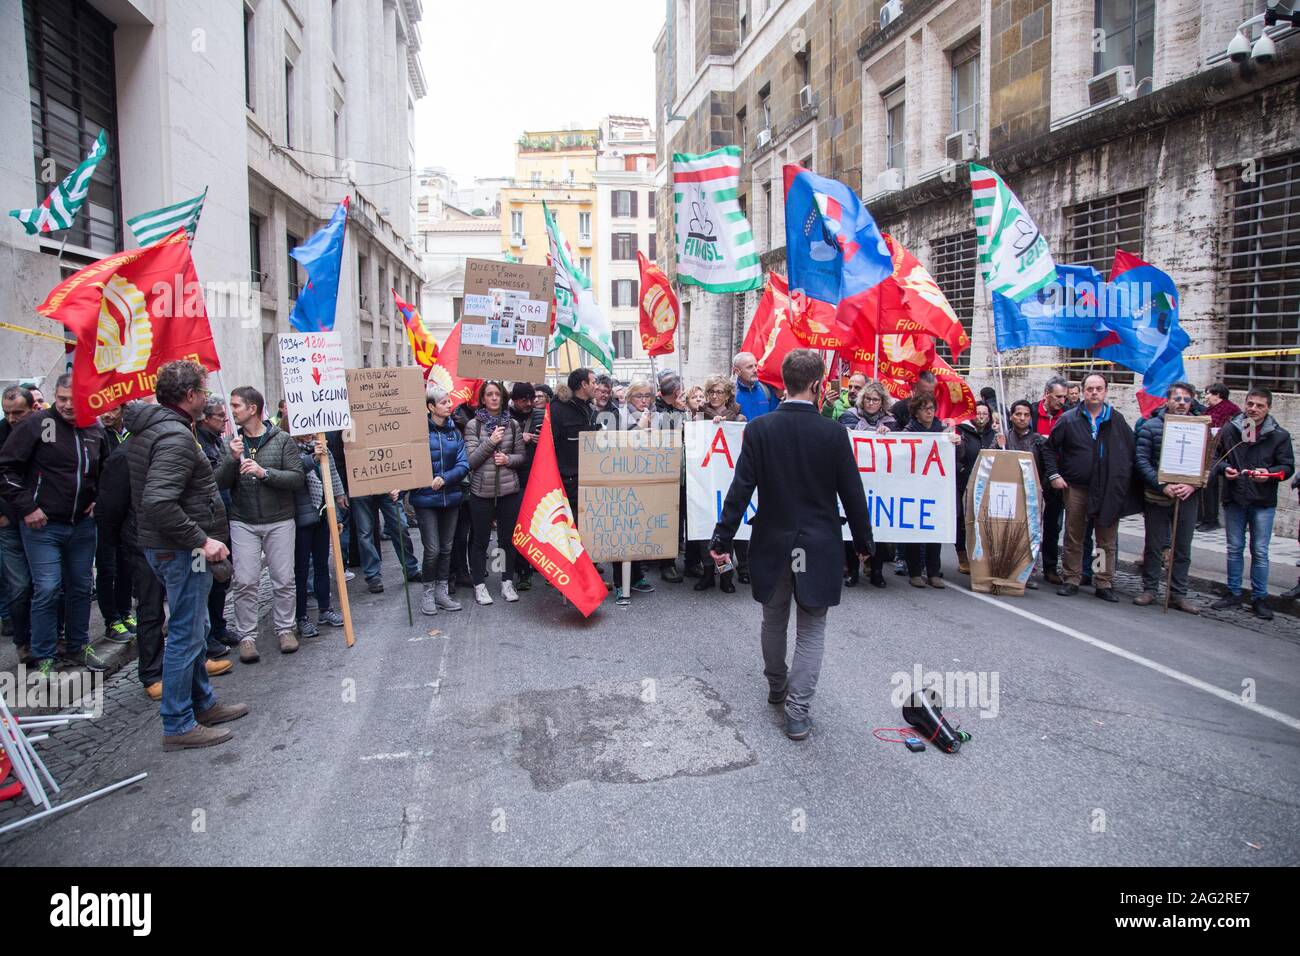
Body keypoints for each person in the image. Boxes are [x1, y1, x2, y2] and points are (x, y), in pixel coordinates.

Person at [711, 349, 872, 741]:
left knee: (774, 618)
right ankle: (797, 712)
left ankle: (777, 686)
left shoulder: (760, 428)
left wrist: (722, 537)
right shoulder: (833, 433)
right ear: (817, 385)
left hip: (773, 540)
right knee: (812, 629)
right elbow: (852, 492)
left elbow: (740, 488)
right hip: (817, 543)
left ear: (784, 382)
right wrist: (865, 543)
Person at [127, 362, 248, 750]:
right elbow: (159, 502)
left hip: (169, 547)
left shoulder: (161, 428)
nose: (206, 397)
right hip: (179, 551)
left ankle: (202, 702)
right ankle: (178, 723)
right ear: (191, 395)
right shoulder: (174, 437)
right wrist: (202, 541)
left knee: (191, 627)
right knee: (185, 631)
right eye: (203, 390)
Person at [0, 373, 109, 676]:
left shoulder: (94, 428)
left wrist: (97, 497)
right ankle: (44, 654)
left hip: (81, 525)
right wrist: (27, 507)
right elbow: (6, 469)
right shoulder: (36, 425)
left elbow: (104, 471)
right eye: (61, 399)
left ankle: (78, 646)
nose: (67, 406)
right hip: (42, 525)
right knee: (47, 588)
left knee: (81, 586)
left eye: (73, 400)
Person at [214, 385, 304, 661]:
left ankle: (286, 629)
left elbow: (296, 478)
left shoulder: (282, 440)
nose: (233, 411)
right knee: (245, 581)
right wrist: (231, 460)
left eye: (237, 406)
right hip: (243, 521)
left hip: (279, 520)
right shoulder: (231, 442)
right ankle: (247, 637)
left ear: (252, 409)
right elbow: (218, 482)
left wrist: (265, 473)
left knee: (284, 579)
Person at [1047, 373, 1136, 603]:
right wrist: (1054, 475)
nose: (1094, 392)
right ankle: (1072, 578)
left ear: (1105, 391)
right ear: (1083, 391)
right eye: (1089, 389)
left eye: (1098, 388)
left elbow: (1129, 452)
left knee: (1105, 539)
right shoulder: (1069, 419)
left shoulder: (1116, 420)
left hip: (1107, 489)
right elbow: (1049, 449)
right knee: (1074, 535)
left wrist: (1121, 483)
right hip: (1077, 487)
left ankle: (1103, 580)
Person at [1210, 387, 1294, 620]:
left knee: (1260, 551)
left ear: (1268, 408)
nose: (1254, 409)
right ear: (1245, 404)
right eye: (1250, 404)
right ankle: (1233, 593)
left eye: (1259, 405)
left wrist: (1267, 472)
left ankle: (1260, 598)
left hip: (1262, 500)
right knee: (1234, 548)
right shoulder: (1230, 429)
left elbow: (1287, 467)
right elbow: (1214, 456)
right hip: (1235, 497)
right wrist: (1224, 469)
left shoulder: (1280, 435)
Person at [1132, 383, 1201, 614]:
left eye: (1186, 400)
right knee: (1154, 543)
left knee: (1182, 547)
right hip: (1158, 495)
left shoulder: (1202, 428)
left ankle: (1177, 594)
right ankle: (1150, 588)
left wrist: (1192, 484)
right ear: (1168, 400)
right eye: (1177, 398)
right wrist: (1162, 485)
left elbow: (1209, 462)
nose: (1181, 403)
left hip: (1188, 495)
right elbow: (1141, 460)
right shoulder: (1151, 427)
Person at [464, 380, 526, 605]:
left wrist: (508, 459)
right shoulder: (474, 425)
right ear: (482, 399)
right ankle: (479, 584)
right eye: (489, 394)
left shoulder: (512, 424)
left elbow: (521, 457)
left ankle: (506, 581)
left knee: (506, 540)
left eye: (497, 394)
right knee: (480, 540)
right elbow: (471, 461)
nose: (493, 398)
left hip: (509, 490)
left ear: (503, 398)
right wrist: (491, 443)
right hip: (482, 491)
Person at [411, 385, 469, 615]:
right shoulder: (418, 433)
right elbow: (409, 464)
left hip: (451, 498)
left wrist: (444, 478)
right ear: (431, 407)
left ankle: (441, 592)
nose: (449, 405)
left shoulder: (455, 433)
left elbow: (463, 464)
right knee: (432, 549)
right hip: (425, 500)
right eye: (444, 402)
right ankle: (427, 592)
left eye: (449, 401)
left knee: (446, 548)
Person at [292, 436, 347, 638]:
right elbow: (293, 473)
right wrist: (312, 459)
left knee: (323, 564)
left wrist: (337, 514)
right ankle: (302, 617)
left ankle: (325, 609)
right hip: (301, 516)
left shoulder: (322, 446)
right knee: (301, 569)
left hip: (323, 513)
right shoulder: (288, 447)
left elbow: (331, 476)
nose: (309, 434)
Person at [901, 394, 956, 587]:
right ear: (916, 413)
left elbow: (957, 457)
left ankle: (934, 572)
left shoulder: (942, 432)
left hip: (935, 489)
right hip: (915, 488)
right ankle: (915, 571)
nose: (930, 412)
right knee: (915, 530)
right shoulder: (908, 432)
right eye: (925, 408)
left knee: (934, 531)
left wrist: (956, 443)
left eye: (932, 408)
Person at [197, 398, 236, 655]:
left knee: (222, 578)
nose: (225, 420)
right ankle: (207, 635)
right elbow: (213, 481)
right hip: (206, 525)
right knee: (205, 583)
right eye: (220, 416)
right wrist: (231, 461)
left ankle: (219, 626)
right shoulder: (197, 442)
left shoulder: (216, 441)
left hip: (222, 518)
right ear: (205, 417)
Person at [94, 405, 136, 644]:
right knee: (107, 566)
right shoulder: (98, 434)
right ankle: (111, 619)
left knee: (126, 563)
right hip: (105, 509)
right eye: (103, 410)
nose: (107, 414)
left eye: (112, 410)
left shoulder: (132, 433)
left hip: (127, 508)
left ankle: (125, 612)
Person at [0, 385, 35, 662]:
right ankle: (23, 641)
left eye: (18, 413)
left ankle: (48, 638)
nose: (12, 419)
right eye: (7, 413)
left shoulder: (41, 430)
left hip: (38, 519)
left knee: (47, 585)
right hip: (8, 521)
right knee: (20, 584)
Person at [1030, 376, 1070, 584]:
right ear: (1047, 394)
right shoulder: (1032, 413)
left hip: (1057, 477)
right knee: (1030, 523)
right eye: (1058, 397)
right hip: (1034, 474)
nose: (1062, 401)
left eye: (1064, 397)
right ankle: (1027, 564)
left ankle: (1051, 567)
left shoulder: (1070, 415)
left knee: (1053, 525)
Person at [550, 368, 597, 513]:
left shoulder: (591, 409)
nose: (597, 386)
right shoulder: (558, 409)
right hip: (568, 483)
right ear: (584, 384)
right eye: (594, 382)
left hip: (589, 479)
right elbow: (552, 446)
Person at [1197, 384, 1240, 532]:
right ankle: (1204, 518)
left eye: (1208, 393)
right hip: (1209, 454)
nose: (1206, 397)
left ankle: (1211, 519)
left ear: (1218, 395)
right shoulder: (1209, 411)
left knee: (1210, 486)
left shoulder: (1232, 412)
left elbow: (1241, 436)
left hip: (1222, 458)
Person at [732, 351, 780, 420]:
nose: (755, 370)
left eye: (756, 366)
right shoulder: (730, 394)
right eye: (749, 367)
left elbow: (776, 418)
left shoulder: (766, 390)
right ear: (737, 371)